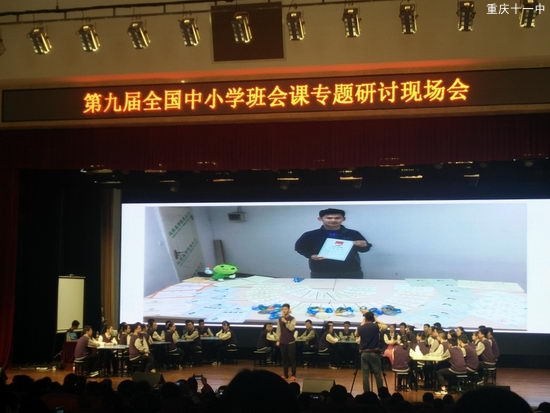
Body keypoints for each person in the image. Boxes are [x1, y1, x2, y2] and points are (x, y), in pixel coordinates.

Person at [295, 208, 372, 279]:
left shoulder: (353, 233)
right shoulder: (310, 234)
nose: (333, 220)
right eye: (329, 218)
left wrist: (364, 245)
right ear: (320, 219)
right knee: (322, 289)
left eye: (337, 218)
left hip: (351, 271)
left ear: (343, 219)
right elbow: (299, 248)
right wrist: (311, 255)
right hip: (321, 271)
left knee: (353, 289)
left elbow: (364, 249)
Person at [357, 311, 387, 393]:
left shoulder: (361, 327)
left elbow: (356, 334)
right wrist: (377, 320)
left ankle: (367, 394)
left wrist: (362, 324)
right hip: (374, 353)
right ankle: (381, 393)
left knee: (365, 375)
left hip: (364, 354)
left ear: (365, 318)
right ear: (373, 318)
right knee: (377, 374)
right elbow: (385, 327)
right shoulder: (376, 326)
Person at [276, 303, 297, 380]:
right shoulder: (279, 319)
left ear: (289, 310)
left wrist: (285, 321)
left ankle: (293, 375)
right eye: (283, 309)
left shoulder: (292, 319)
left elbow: (291, 328)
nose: (284, 310)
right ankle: (285, 375)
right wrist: (278, 340)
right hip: (282, 342)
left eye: (285, 309)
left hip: (291, 342)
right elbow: (278, 330)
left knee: (292, 359)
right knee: (284, 360)